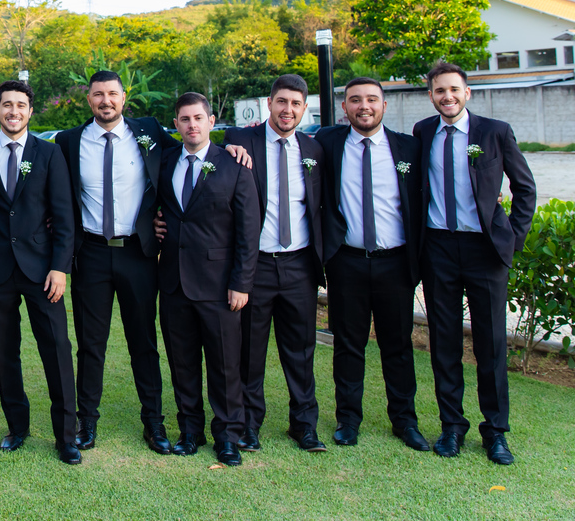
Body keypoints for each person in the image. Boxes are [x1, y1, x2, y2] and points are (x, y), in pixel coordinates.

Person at [413, 62, 536, 465]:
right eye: (439, 91)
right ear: (431, 96)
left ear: (467, 93)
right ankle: (452, 426)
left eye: (453, 89)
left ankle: (495, 431)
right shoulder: (423, 132)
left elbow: (525, 188)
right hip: (439, 249)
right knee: (444, 342)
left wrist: (511, 239)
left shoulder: (494, 132)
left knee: (491, 344)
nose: (447, 96)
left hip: (485, 250)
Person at [54, 70, 177, 453]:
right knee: (91, 344)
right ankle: (87, 423)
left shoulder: (149, 132)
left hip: (137, 253)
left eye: (111, 94)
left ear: (124, 97)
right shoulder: (68, 141)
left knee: (144, 341)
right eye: (97, 95)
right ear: (88, 100)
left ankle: (154, 422)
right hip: (90, 253)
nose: (105, 101)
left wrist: (235, 147)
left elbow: (189, 151)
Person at [0, 80, 80, 465]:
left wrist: (60, 268)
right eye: (6, 105)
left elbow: (64, 215)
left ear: (30, 111)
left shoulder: (49, 153)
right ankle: (17, 427)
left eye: (20, 105)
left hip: (41, 270)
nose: (13, 111)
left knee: (57, 349)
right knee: (5, 352)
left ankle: (66, 436)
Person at [316, 77, 428, 451]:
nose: (364, 106)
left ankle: (405, 421)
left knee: (398, 346)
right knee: (348, 346)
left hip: (394, 263)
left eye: (371, 99)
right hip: (346, 262)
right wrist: (235, 143)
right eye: (355, 100)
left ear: (384, 105)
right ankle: (348, 420)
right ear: (344, 107)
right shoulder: (328, 143)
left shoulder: (409, 147)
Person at [223, 75, 327, 453]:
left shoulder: (314, 149)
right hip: (257, 266)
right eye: (282, 102)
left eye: (296, 104)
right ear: (269, 103)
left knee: (301, 351)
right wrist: (228, 147)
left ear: (304, 109)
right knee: (250, 352)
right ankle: (249, 425)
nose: (288, 110)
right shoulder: (241, 141)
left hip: (299, 265)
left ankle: (304, 425)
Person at [155, 92, 259, 466]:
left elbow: (248, 231)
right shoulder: (165, 161)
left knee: (225, 365)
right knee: (182, 363)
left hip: (219, 285)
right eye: (184, 119)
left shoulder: (234, 165)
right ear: (176, 124)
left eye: (198, 118)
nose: (192, 125)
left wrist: (241, 283)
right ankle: (190, 431)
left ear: (211, 121)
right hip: (174, 283)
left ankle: (228, 436)